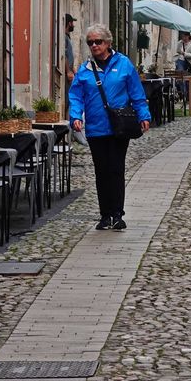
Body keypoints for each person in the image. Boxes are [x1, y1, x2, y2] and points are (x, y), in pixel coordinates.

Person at [69, 23, 151, 231]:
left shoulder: (124, 64)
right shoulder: (85, 69)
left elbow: (136, 93)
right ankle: (105, 215)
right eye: (90, 43)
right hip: (96, 128)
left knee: (116, 169)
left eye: (98, 42)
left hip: (118, 127)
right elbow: (76, 96)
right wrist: (75, 116)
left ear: (107, 43)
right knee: (101, 171)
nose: (94, 46)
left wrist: (143, 115)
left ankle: (117, 214)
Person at [173, 30, 191, 97]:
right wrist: (180, 45)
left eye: (185, 36)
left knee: (187, 79)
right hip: (180, 60)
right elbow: (178, 51)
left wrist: (185, 54)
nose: (183, 38)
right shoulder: (180, 42)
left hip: (189, 63)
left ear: (188, 36)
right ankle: (183, 93)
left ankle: (188, 95)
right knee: (180, 75)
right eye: (182, 36)